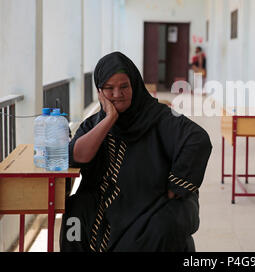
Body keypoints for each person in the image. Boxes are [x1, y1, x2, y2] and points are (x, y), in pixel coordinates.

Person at [59, 52, 212, 252]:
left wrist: (176, 184)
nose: (117, 94)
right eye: (109, 88)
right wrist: (109, 120)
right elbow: (77, 156)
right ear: (99, 92)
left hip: (152, 198)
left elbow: (197, 139)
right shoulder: (93, 125)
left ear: (135, 85)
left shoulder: (160, 118)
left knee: (159, 228)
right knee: (74, 216)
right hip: (105, 200)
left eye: (124, 86)